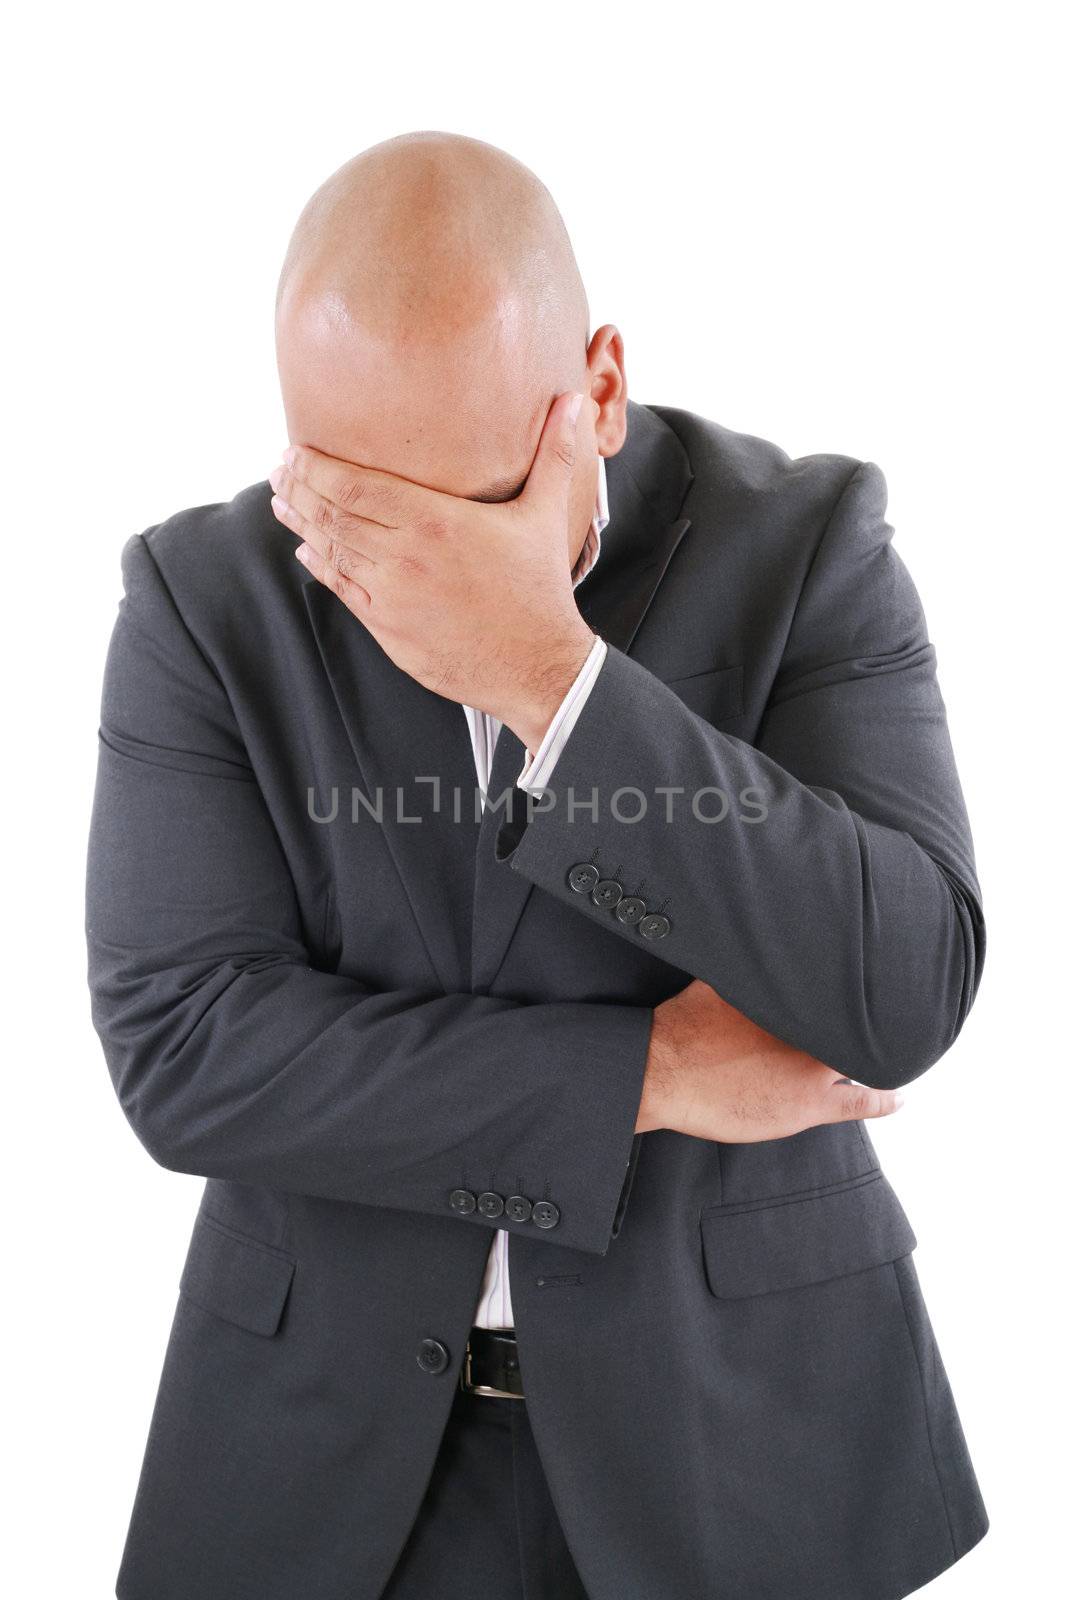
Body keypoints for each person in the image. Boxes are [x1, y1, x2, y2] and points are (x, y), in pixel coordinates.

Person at [86, 129, 989, 1600]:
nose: (390, 571)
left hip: (748, 1444)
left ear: (600, 394)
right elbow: (190, 1053)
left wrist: (553, 681)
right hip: (328, 1465)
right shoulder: (202, 601)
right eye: (342, 498)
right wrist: (656, 1071)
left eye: (456, 515)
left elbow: (899, 992)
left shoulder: (809, 541)